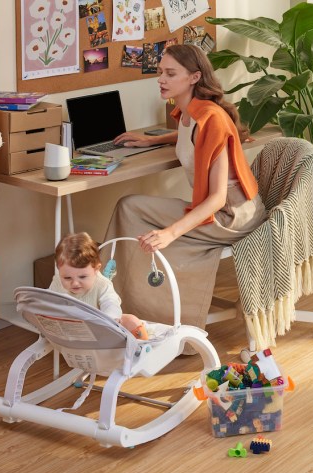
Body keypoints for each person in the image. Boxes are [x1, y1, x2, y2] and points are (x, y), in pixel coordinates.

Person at [105, 44, 266, 329]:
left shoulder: (211, 119)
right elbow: (187, 135)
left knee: (136, 216)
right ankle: (112, 299)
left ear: (193, 77)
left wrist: (170, 232)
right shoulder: (188, 113)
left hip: (232, 214)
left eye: (170, 73)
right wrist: (150, 140)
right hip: (220, 208)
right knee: (127, 206)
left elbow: (217, 199)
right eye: (159, 73)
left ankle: (155, 317)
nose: (161, 80)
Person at [50, 232, 144, 335]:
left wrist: (109, 320)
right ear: (59, 270)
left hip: (99, 331)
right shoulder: (58, 281)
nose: (75, 283)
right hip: (69, 329)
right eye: (67, 278)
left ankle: (141, 346)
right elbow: (45, 300)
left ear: (96, 269)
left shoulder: (102, 284)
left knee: (131, 321)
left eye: (82, 277)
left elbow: (110, 303)